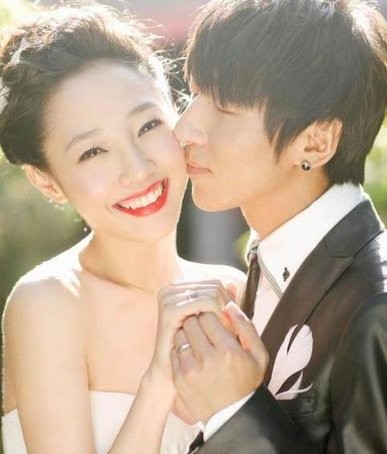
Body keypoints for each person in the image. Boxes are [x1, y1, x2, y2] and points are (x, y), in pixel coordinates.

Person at [0, 3, 246, 453]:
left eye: (148, 125)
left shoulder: (235, 294)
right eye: (92, 152)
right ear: (47, 180)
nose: (137, 169)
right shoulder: (50, 302)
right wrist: (160, 380)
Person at [165, 0, 387, 452]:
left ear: (315, 141)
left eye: (224, 107)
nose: (185, 128)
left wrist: (233, 411)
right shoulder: (257, 273)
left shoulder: (383, 309)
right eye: (194, 94)